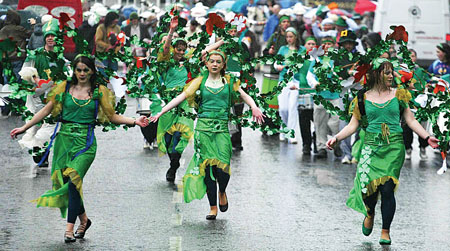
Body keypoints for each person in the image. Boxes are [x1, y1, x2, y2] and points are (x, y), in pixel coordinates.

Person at [10, 55, 149, 243]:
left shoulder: (99, 92)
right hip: (64, 142)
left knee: (74, 178)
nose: (82, 73)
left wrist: (135, 121)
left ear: (92, 71)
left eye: (86, 69)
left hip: (86, 143)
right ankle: (84, 220)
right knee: (70, 184)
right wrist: (25, 128)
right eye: (79, 70)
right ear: (74, 71)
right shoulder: (64, 88)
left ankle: (69, 229)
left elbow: (111, 116)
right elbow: (45, 110)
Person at [326, 60, 439, 245]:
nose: (390, 75)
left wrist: (427, 137)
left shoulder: (400, 94)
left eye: (391, 72)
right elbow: (353, 124)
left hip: (394, 147)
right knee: (369, 191)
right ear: (375, 74)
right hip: (370, 148)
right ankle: (370, 212)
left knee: (387, 188)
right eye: (386, 72)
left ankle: (385, 231)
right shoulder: (362, 97)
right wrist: (336, 138)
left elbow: (410, 120)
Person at [150, 50, 264, 220]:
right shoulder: (200, 81)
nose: (215, 64)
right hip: (203, 130)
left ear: (223, 65)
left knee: (223, 168)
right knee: (209, 169)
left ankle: (222, 191)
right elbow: (181, 97)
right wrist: (160, 112)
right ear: (207, 64)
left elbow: (244, 95)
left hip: (221, 130)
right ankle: (212, 208)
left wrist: (254, 107)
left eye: (218, 62)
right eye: (212, 61)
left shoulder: (230, 81)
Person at [157, 16, 224, 182]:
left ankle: (174, 164)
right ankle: (173, 160)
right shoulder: (165, 61)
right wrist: (171, 31)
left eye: (182, 50)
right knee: (167, 138)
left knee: (183, 134)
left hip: (185, 102)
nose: (180, 52)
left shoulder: (188, 62)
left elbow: (205, 52)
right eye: (177, 49)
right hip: (169, 104)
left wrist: (223, 41)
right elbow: (166, 49)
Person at [274, 27, 302, 144]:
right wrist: (278, 66)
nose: (289, 39)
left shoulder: (302, 50)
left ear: (296, 37)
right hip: (283, 81)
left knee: (292, 107)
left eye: (291, 36)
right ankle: (283, 129)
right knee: (283, 108)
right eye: (287, 37)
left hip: (296, 81)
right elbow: (276, 63)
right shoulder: (283, 49)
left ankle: (291, 133)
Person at [402, 49, 430, 160]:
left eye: (413, 56)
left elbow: (428, 82)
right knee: (406, 127)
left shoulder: (421, 71)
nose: (411, 58)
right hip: (407, 102)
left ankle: (423, 147)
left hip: (420, 103)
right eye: (408, 56)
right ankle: (408, 148)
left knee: (421, 126)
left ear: (416, 57)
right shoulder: (400, 71)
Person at [95, 11, 121, 76]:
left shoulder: (118, 28)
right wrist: (107, 46)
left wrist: (116, 51)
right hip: (103, 54)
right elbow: (98, 40)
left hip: (113, 56)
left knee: (114, 74)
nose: (117, 21)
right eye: (115, 19)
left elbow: (120, 41)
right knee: (103, 74)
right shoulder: (101, 27)